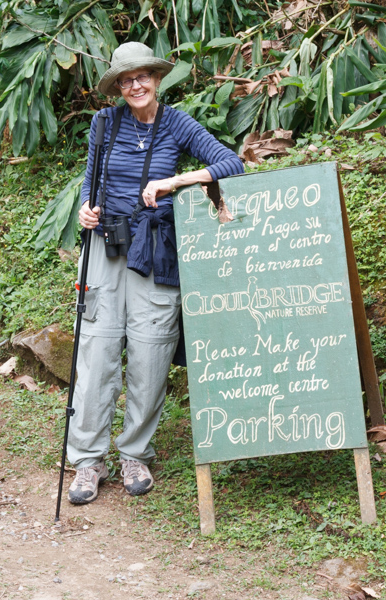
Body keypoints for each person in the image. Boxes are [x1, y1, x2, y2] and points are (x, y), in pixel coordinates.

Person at [68, 42, 243, 503]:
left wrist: (175, 181)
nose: (135, 86)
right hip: (105, 246)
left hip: (156, 248)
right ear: (118, 86)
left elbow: (233, 164)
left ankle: (135, 453)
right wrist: (85, 210)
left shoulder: (177, 123)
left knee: (150, 354)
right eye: (125, 80)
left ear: (156, 78)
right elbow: (92, 180)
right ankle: (87, 460)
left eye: (142, 76)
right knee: (97, 351)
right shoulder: (103, 123)